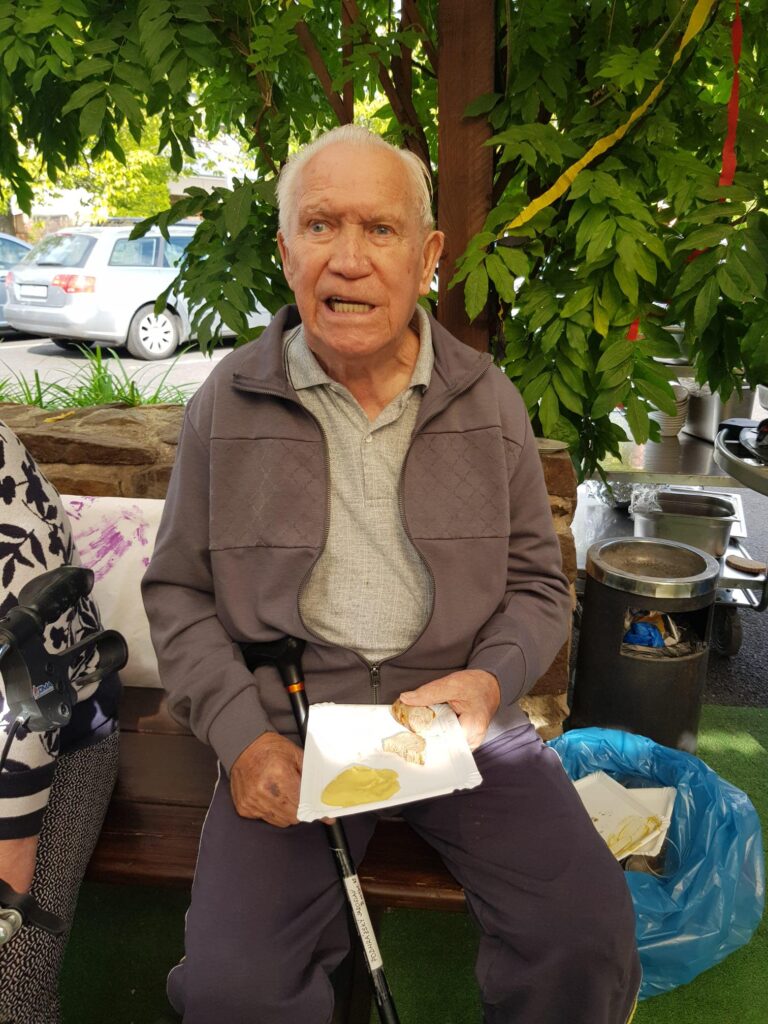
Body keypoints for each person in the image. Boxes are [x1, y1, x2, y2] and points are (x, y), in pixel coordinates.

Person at [142, 124, 641, 1024]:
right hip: (291, 725)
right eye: (320, 225)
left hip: (455, 722)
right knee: (234, 989)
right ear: (286, 250)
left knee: (584, 934)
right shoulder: (227, 401)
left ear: (428, 256)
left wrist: (489, 684)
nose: (349, 259)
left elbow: (537, 584)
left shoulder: (487, 400)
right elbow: (177, 591)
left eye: (380, 229)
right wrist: (241, 736)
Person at [0, 422, 120, 1024]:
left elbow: (26, 697)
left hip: (49, 736)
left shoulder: (10, 509)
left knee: (8, 988)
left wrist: (8, 888)